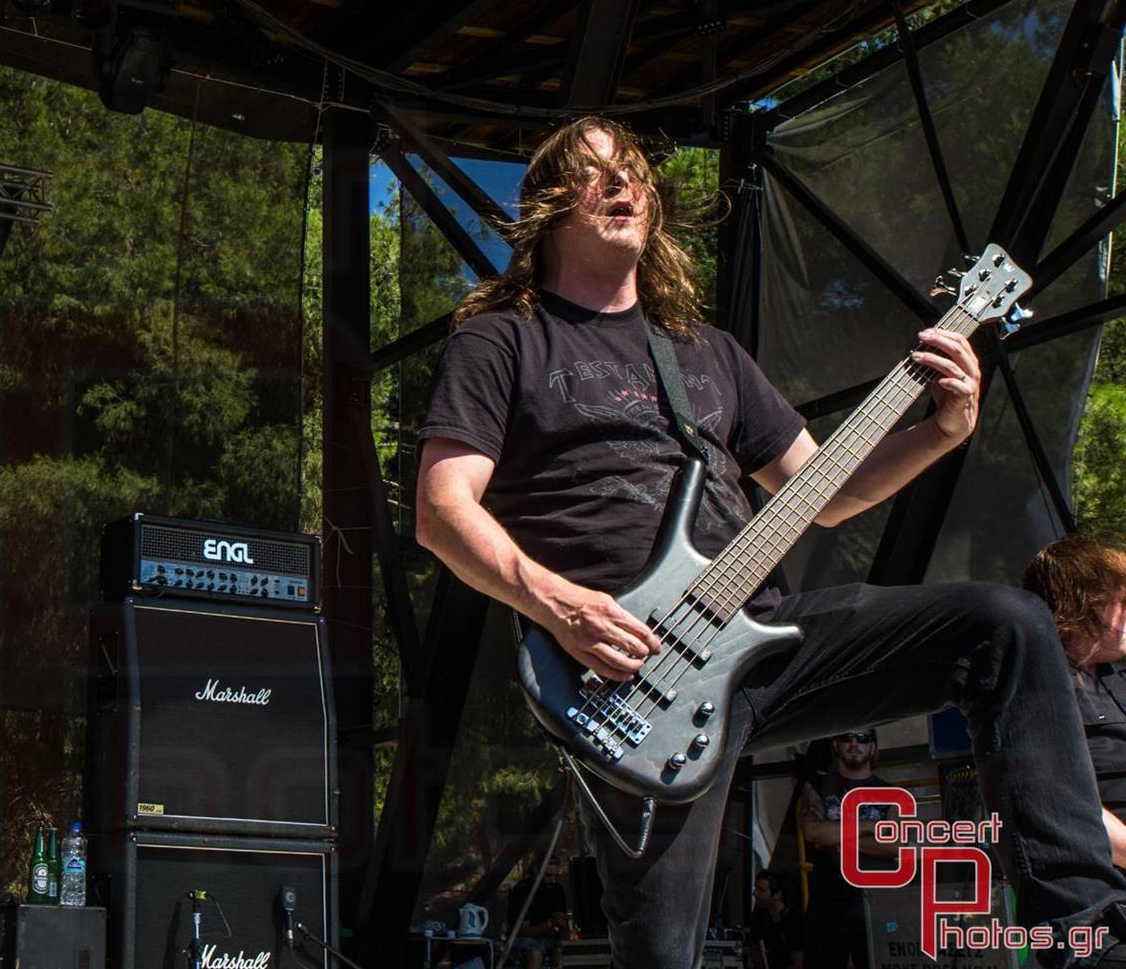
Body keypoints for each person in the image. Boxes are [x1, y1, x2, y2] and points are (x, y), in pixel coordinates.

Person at [414, 115, 1126, 969]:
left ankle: (1085, 937)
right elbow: (441, 510)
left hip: (768, 639)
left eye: (634, 172)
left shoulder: (705, 353)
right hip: (626, 670)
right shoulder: (504, 339)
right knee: (663, 950)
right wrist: (558, 605)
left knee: (1006, 625)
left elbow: (823, 494)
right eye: (594, 172)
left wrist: (944, 430)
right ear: (549, 204)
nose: (624, 186)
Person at [1025, 533, 1126, 869]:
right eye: (1121, 599)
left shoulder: (1117, 677)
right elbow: (1064, 798)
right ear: (1084, 600)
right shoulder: (1038, 685)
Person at [797, 730, 896, 968]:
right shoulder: (817, 785)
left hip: (876, 903)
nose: (854, 743)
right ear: (835, 744)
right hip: (827, 903)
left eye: (863, 738)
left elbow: (895, 845)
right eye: (847, 738)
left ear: (873, 747)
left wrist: (836, 836)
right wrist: (869, 826)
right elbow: (813, 832)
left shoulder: (891, 793)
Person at [508, 854, 573, 968]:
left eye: (555, 876)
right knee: (534, 951)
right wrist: (549, 924)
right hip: (523, 941)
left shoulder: (557, 890)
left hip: (549, 940)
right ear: (536, 871)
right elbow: (522, 932)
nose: (553, 880)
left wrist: (560, 947)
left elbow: (564, 927)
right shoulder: (523, 891)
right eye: (548, 876)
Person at [749, 869, 804, 969]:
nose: (755, 893)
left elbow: (798, 964)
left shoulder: (794, 922)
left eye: (761, 890)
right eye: (755, 888)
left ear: (777, 894)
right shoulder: (758, 918)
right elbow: (756, 954)